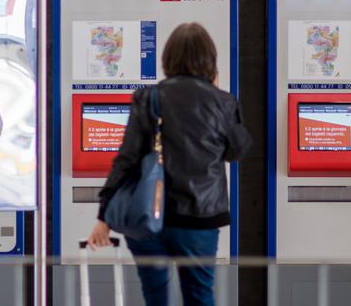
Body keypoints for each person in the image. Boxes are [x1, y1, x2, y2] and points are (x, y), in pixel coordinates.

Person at [86, 22, 252, 306]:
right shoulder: (222, 101)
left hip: (148, 216)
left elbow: (126, 159)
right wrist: (218, 93)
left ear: (167, 58)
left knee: (155, 297)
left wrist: (104, 217)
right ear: (210, 60)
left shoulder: (148, 98)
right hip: (200, 217)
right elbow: (236, 151)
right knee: (199, 296)